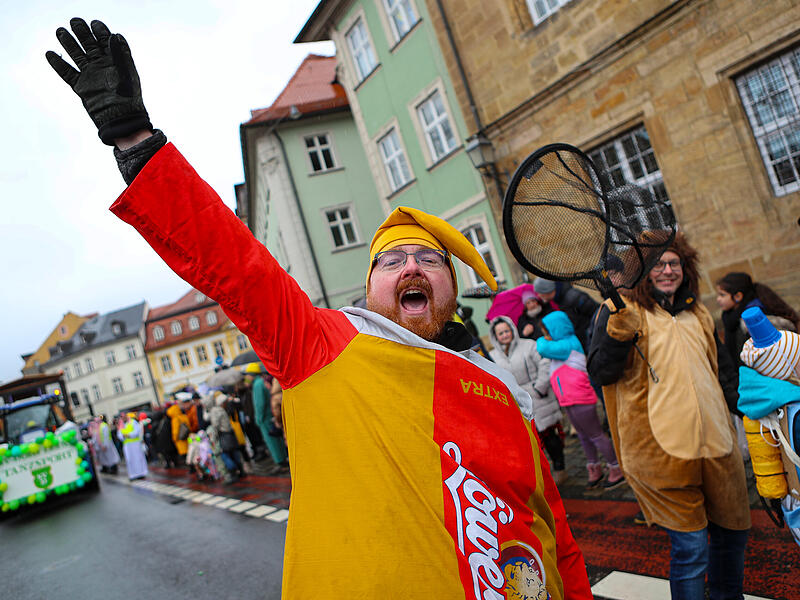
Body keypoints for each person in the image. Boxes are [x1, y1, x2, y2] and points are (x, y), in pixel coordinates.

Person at [46, 19, 592, 599]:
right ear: (370, 290)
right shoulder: (322, 345)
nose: (411, 267)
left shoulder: (503, 389)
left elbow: (555, 535)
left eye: (429, 260)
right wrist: (137, 143)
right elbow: (235, 265)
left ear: (451, 290)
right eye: (391, 261)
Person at [587, 233, 750, 600]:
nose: (667, 270)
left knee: (733, 536)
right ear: (642, 271)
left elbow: (723, 372)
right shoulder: (622, 310)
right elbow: (600, 373)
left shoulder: (698, 312)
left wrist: (748, 411)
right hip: (662, 454)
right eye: (657, 264)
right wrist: (617, 334)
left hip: (718, 448)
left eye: (674, 263)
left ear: (685, 268)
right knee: (691, 549)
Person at [536, 311, 623, 490]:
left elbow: (542, 348)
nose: (546, 335)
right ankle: (595, 468)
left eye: (547, 331)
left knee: (596, 435)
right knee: (584, 437)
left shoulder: (568, 344)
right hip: (569, 399)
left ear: (556, 329)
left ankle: (616, 468)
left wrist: (542, 338)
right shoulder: (564, 344)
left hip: (579, 398)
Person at [488, 317, 567, 485]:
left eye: (506, 331)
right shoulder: (493, 356)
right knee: (529, 443)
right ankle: (541, 476)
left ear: (512, 330)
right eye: (500, 333)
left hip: (538, 397)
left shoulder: (529, 345)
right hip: (515, 403)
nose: (504, 335)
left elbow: (544, 363)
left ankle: (560, 468)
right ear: (495, 336)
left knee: (549, 437)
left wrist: (540, 387)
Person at [716, 271, 799, 367]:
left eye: (722, 295)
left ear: (738, 296)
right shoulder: (730, 317)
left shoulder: (753, 319)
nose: (718, 299)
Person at [533, 278, 599, 352]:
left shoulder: (573, 297)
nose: (538, 296)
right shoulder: (561, 299)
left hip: (594, 339)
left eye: (539, 292)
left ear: (546, 290)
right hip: (587, 341)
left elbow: (596, 312)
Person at [250, 365, 288, 472]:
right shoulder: (262, 382)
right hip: (270, 415)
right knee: (278, 439)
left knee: (272, 441)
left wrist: (258, 419)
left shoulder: (257, 384)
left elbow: (259, 404)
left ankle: (280, 461)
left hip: (265, 418)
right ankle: (283, 459)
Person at [116, 412, 148, 480]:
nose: (122, 418)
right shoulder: (121, 425)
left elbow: (136, 432)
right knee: (129, 460)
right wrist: (125, 435)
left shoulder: (133, 422)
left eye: (123, 416)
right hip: (127, 446)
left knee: (138, 458)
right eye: (121, 417)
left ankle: (141, 473)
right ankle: (133, 474)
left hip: (135, 444)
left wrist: (127, 435)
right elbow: (120, 435)